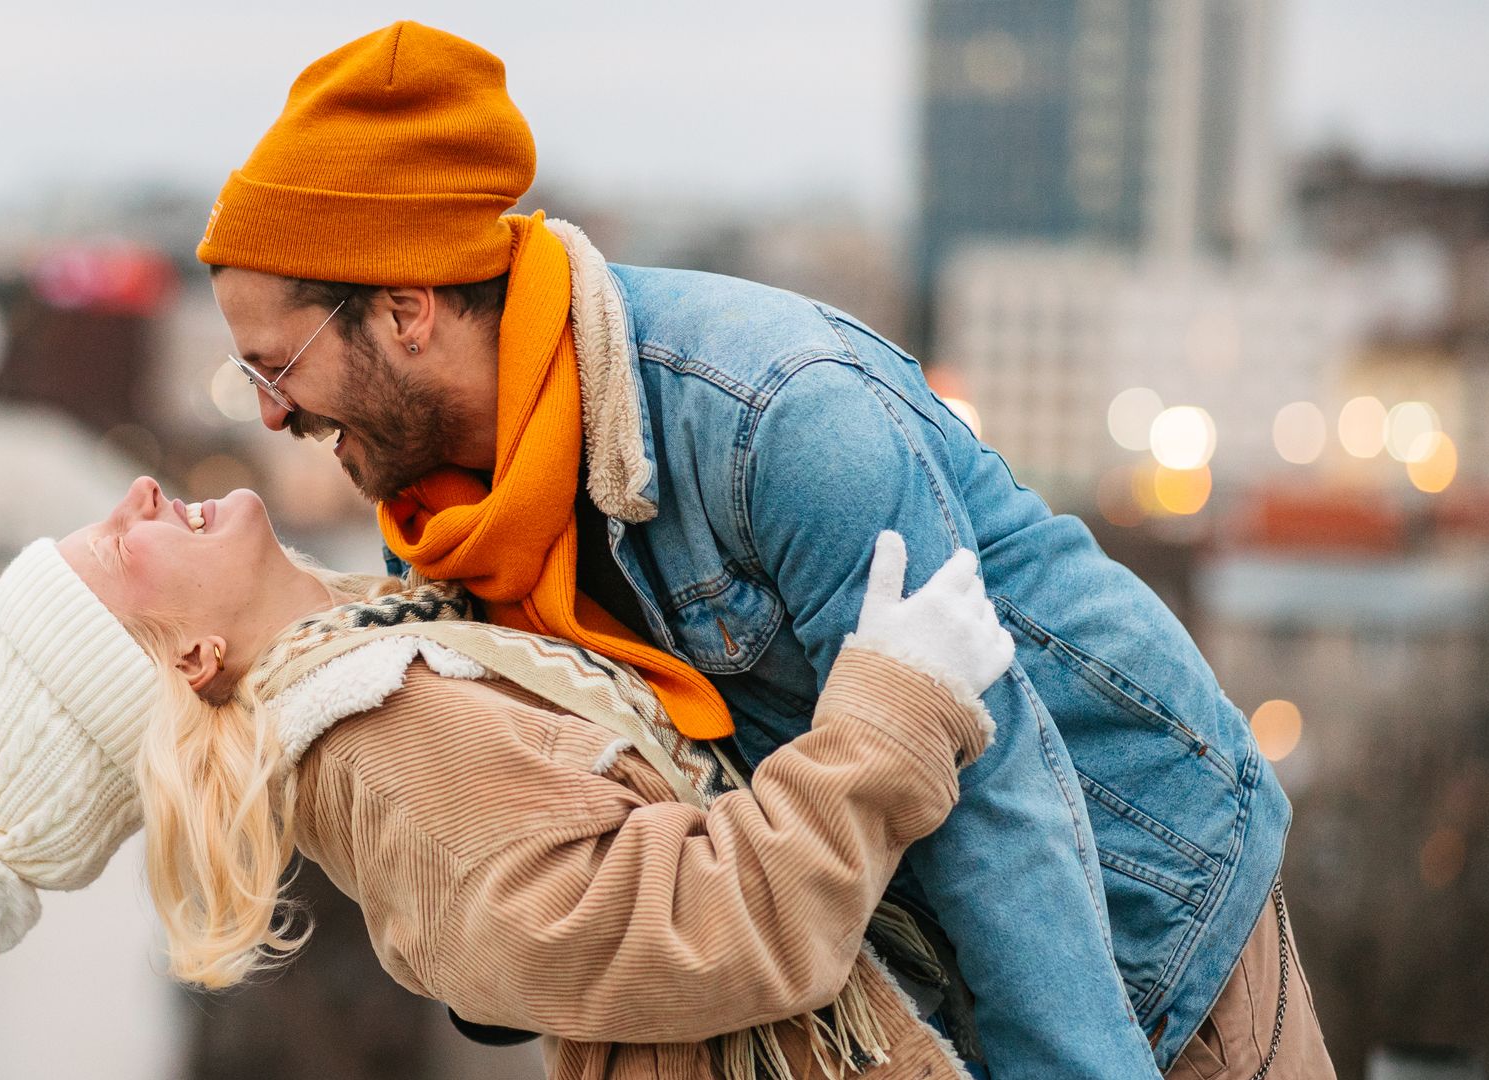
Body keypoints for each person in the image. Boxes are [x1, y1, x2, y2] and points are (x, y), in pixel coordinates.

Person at [195, 20, 1335, 1080]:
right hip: (899, 994)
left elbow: (999, 791)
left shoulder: (775, 416)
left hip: (1143, 910)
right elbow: (549, 886)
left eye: (275, 367)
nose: (268, 415)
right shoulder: (449, 534)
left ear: (404, 312)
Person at [0, 476, 1017, 1080]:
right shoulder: (391, 765)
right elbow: (711, 930)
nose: (137, 491)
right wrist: (900, 700)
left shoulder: (400, 653)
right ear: (189, 658)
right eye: (116, 548)